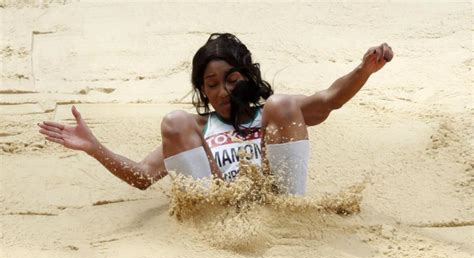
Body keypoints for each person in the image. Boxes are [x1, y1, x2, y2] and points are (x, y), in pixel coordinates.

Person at [38, 33, 393, 195]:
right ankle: (211, 215)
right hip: (218, 212)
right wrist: (94, 147)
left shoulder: (271, 115)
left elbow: (330, 98)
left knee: (284, 103)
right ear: (203, 91)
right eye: (211, 84)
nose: (222, 91)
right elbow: (144, 176)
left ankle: (290, 213)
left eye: (231, 79)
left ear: (248, 77)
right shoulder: (197, 127)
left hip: (278, 206)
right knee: (175, 120)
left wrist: (364, 70)